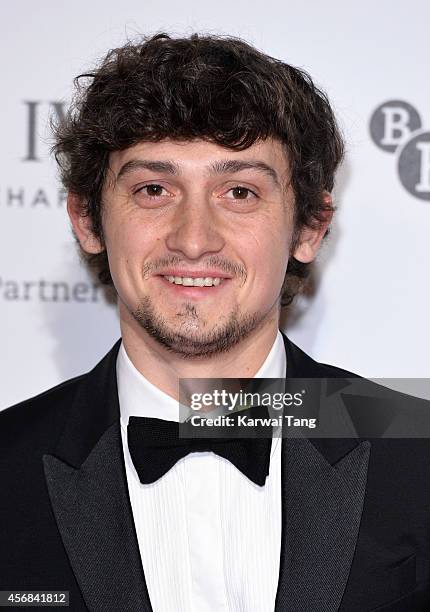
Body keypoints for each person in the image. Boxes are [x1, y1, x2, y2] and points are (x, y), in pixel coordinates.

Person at [1, 33, 429, 612]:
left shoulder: (418, 446)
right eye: (153, 190)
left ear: (309, 228)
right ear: (87, 220)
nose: (194, 239)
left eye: (239, 192)